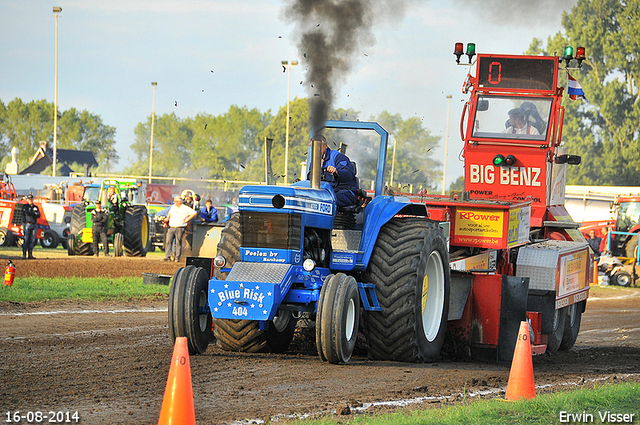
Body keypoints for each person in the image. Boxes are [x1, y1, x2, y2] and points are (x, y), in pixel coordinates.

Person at [311, 135, 358, 208]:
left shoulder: (338, 157)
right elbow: (309, 177)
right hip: (324, 192)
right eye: (313, 148)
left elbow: (348, 174)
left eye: (317, 147)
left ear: (325, 146)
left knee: (328, 200)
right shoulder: (314, 162)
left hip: (344, 191)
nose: (315, 150)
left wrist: (336, 172)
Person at [164, 196, 197, 262]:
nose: (174, 202)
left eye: (176, 201)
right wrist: (167, 219)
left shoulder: (185, 208)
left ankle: (177, 257)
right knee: (168, 241)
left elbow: (194, 213)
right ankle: (167, 257)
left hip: (180, 227)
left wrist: (187, 219)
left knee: (178, 242)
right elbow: (170, 213)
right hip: (172, 226)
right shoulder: (173, 207)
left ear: (179, 202)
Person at [21, 194, 40, 259]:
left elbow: (38, 215)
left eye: (31, 199)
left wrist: (33, 213)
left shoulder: (35, 207)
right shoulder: (25, 206)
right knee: (26, 239)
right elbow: (26, 213)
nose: (30, 201)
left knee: (32, 240)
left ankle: (30, 254)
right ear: (27, 200)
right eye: (29, 199)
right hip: (27, 224)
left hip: (34, 224)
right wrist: (34, 213)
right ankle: (24, 254)